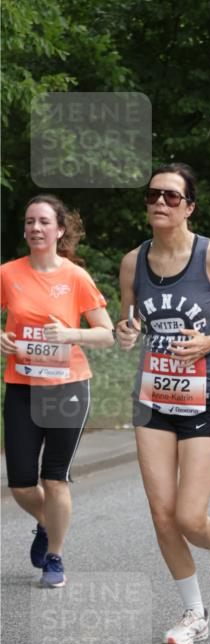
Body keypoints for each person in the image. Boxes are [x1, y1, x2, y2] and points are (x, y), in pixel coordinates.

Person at [116, 163, 210, 644]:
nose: (160, 202)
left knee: (190, 518)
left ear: (189, 207)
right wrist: (125, 331)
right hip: (152, 396)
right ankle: (194, 614)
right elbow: (127, 324)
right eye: (154, 195)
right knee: (161, 513)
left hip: (202, 397)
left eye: (172, 197)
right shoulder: (133, 262)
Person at [1, 195, 114, 587]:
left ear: (59, 230)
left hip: (67, 389)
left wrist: (70, 333)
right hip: (21, 388)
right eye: (30, 222)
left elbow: (106, 333)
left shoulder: (75, 277)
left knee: (54, 479)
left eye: (44, 222)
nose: (35, 228)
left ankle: (55, 557)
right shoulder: (8, 273)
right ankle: (48, 524)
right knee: (19, 483)